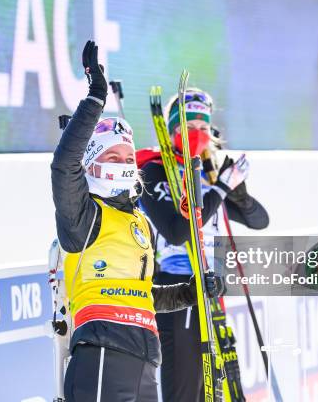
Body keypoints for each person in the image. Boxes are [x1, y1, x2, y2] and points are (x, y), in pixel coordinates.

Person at [51, 40, 217, 402]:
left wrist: (191, 292)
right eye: (114, 155)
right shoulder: (83, 215)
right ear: (92, 162)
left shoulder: (138, 223)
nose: (125, 163)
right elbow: (64, 166)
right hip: (102, 351)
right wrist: (96, 95)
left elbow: (144, 296)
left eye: (129, 157)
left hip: (145, 358)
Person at [137, 88, 269, 401]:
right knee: (184, 385)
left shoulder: (209, 172)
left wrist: (240, 195)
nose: (197, 135)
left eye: (203, 128)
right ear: (172, 131)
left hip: (212, 286)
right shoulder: (153, 170)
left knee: (212, 388)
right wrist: (222, 188)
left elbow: (259, 220)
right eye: (188, 128)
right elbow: (177, 232)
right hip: (176, 289)